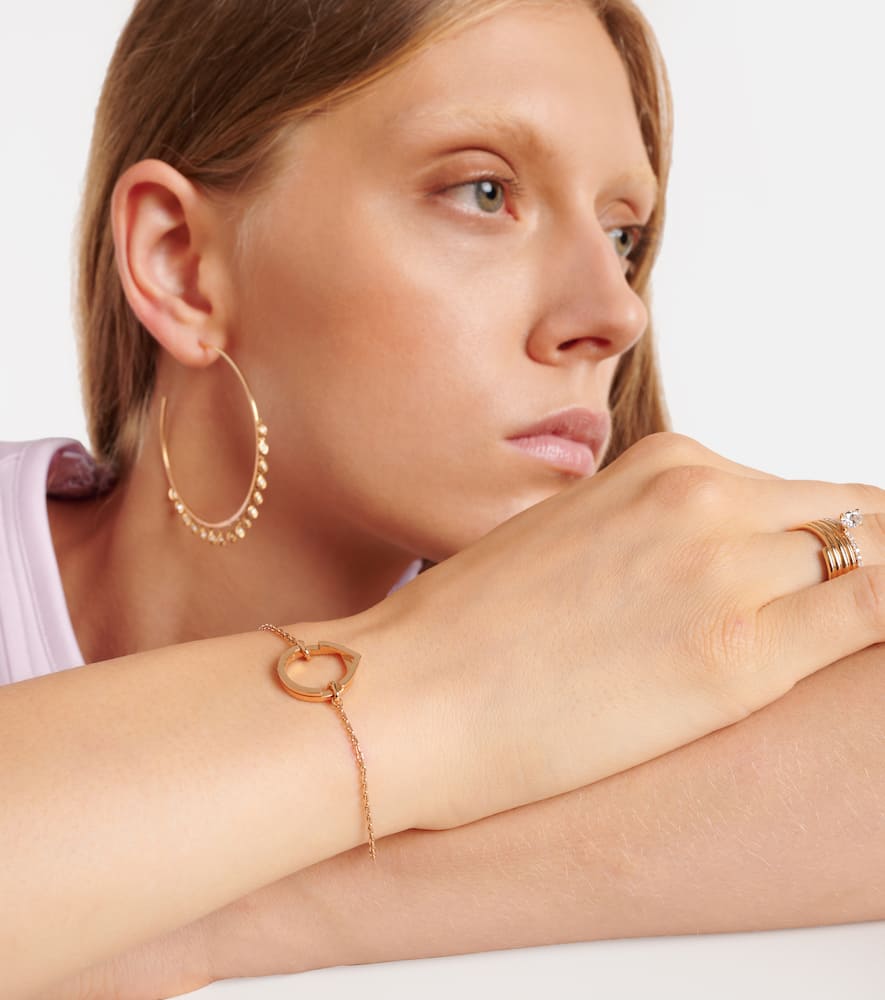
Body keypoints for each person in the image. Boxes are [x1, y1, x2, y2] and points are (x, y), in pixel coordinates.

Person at [1, 0, 882, 996]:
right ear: (182, 266)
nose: (615, 312)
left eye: (623, 235)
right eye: (483, 191)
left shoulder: (611, 653)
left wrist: (124, 901)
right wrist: (443, 676)